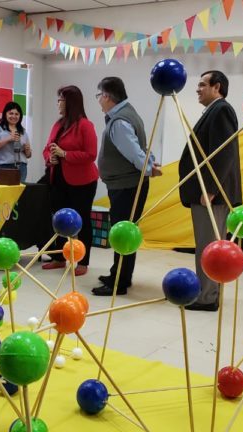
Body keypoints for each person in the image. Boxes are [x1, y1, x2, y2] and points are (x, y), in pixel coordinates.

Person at [92, 77, 161, 296]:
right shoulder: (126, 113)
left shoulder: (120, 121)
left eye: (99, 96)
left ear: (107, 96)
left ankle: (118, 283)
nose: (99, 101)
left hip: (127, 186)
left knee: (123, 233)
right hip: (126, 184)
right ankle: (119, 275)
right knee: (125, 231)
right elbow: (141, 148)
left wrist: (148, 168)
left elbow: (134, 152)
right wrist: (149, 164)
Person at [178, 70, 241, 312]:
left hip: (211, 194)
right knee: (209, 245)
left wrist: (211, 188)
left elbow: (224, 152)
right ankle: (208, 292)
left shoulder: (221, 110)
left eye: (202, 84)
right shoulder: (215, 110)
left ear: (217, 88)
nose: (197, 89)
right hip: (208, 192)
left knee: (209, 246)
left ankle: (206, 297)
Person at [42, 85, 98, 276]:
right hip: (58, 178)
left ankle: (82, 261)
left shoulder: (85, 125)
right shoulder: (58, 124)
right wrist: (50, 158)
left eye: (61, 100)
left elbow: (91, 154)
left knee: (82, 220)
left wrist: (65, 154)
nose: (58, 103)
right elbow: (47, 148)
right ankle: (59, 257)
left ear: (70, 102)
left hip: (82, 181)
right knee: (59, 220)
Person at [0, 101, 32, 182]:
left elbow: (28, 155)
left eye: (16, 114)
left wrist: (28, 151)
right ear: (5, 114)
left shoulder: (23, 131)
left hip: (21, 167)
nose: (14, 116)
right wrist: (8, 139)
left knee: (20, 193)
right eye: (11, 113)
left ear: (20, 116)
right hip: (3, 167)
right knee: (4, 193)